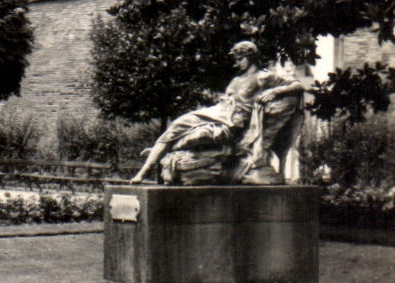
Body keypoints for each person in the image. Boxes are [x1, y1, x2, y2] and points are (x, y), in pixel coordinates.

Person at [128, 41, 306, 184]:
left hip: (232, 121)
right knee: (177, 124)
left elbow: (297, 85)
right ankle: (144, 170)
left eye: (240, 58)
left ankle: (156, 158)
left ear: (251, 57)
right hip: (216, 112)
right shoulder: (236, 79)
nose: (237, 63)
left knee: (198, 135)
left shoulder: (263, 76)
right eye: (236, 59)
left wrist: (275, 92)